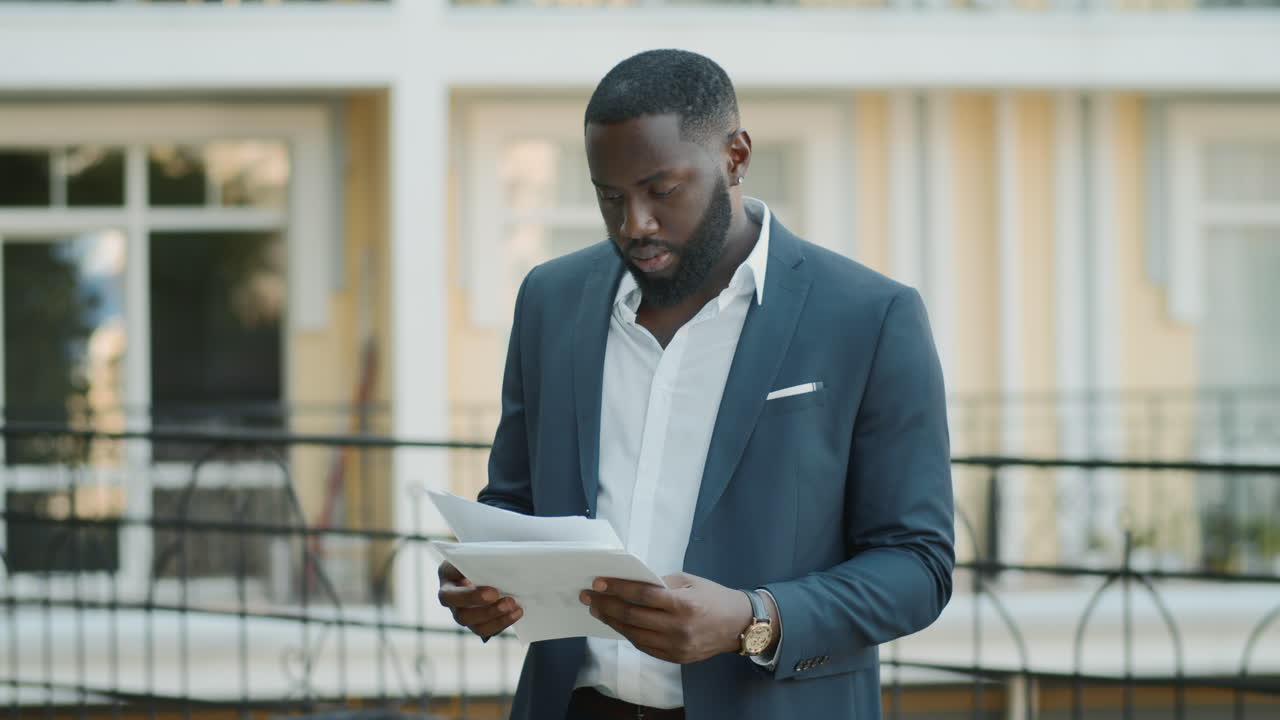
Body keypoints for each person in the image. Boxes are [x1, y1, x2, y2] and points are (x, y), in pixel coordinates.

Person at [438, 49, 954, 720]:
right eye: (611, 196)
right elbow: (512, 502)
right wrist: (484, 583)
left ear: (735, 156)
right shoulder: (550, 300)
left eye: (662, 189)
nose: (635, 225)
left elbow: (918, 565)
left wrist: (753, 618)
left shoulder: (869, 316)